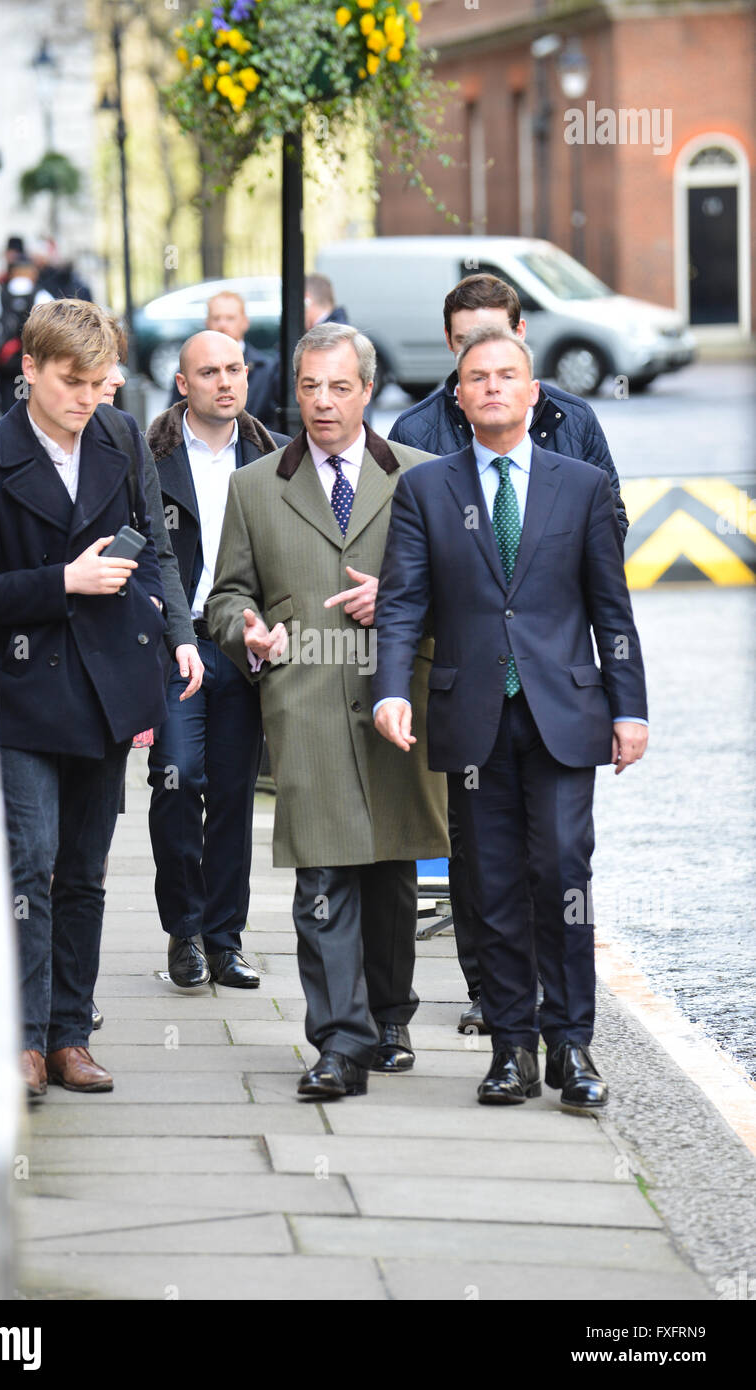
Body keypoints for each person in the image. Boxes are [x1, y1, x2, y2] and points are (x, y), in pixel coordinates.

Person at [373, 325, 648, 1112]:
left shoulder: (582, 487)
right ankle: (512, 1050)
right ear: (458, 399)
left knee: (562, 873)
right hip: (470, 718)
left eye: (507, 375)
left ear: (534, 394)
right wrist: (394, 689)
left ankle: (573, 1046)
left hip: (565, 713)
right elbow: (401, 607)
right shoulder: (427, 490)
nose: (493, 386)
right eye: (477, 377)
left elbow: (612, 610)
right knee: (488, 884)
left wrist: (630, 706)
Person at [207, 323, 448, 1100]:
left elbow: (470, 597)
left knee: (391, 879)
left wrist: (403, 600)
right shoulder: (254, 488)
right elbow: (226, 594)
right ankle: (338, 1044)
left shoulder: (423, 477)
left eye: (339, 387)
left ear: (367, 392)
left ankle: (390, 1017)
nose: (321, 402)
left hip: (394, 705)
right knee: (324, 881)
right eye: (310, 386)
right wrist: (244, 630)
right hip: (305, 706)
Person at [0, 298, 171, 1101]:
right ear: (29, 370)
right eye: (73, 382)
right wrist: (64, 581)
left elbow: (153, 542)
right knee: (27, 866)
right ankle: (22, 1041)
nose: (89, 398)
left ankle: (71, 1035)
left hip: (109, 682)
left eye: (102, 384)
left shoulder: (116, 434)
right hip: (25, 689)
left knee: (85, 870)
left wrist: (165, 624)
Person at [145, 331, 289, 991]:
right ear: (183, 384)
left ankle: (226, 940)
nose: (226, 382)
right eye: (209, 372)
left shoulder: (275, 458)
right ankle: (184, 931)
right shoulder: (147, 457)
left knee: (233, 793)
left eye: (235, 369)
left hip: (245, 644)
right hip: (176, 642)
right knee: (178, 775)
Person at [168, 291, 278, 429]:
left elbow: (275, 421)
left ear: (245, 322)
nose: (222, 325)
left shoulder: (267, 369)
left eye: (230, 318)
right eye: (216, 318)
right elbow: (174, 418)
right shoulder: (189, 369)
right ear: (207, 322)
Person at [0, 259, 52, 415]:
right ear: (33, 274)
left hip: (4, 361)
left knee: (6, 399)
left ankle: (10, 429)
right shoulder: (41, 295)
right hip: (32, 360)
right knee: (30, 399)